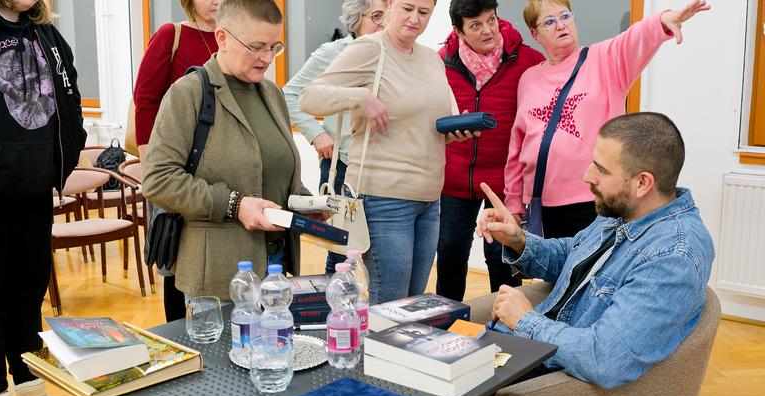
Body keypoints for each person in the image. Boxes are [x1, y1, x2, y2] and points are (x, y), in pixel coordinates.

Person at [478, 112, 714, 388]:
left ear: (642, 183)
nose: (587, 176)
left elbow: (605, 358)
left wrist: (525, 321)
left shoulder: (673, 256)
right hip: (517, 349)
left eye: (601, 169)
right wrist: (519, 239)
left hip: (543, 385)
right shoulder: (624, 211)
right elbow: (575, 256)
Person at [300, 0, 473, 304]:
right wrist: (360, 97)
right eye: (408, 8)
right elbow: (309, 98)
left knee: (410, 304)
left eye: (424, 13)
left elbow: (432, 127)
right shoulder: (370, 49)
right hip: (384, 200)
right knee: (390, 306)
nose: (415, 19)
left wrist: (455, 131)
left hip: (430, 200)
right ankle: (369, 353)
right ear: (390, 4)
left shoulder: (432, 59)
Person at [0, 0, 86, 396]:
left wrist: (68, 154)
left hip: (34, 192)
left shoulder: (46, 32)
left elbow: (69, 96)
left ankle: (31, 387)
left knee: (27, 296)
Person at [143, 0, 312, 299]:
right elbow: (158, 180)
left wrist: (309, 204)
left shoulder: (272, 94)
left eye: (275, 47)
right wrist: (234, 205)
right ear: (222, 38)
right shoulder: (188, 93)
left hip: (276, 265)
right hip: (219, 277)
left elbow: (273, 170)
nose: (267, 58)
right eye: (256, 46)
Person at [503, 0, 710, 238]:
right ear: (535, 34)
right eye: (550, 21)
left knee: (592, 273)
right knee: (550, 272)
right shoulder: (529, 78)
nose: (561, 25)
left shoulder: (603, 59)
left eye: (565, 16)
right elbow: (517, 147)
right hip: (541, 203)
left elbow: (634, 38)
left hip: (594, 201)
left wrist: (662, 20)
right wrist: (514, 202)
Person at [436, 0, 544, 301]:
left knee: (501, 256)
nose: (488, 30)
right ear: (458, 30)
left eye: (491, 20)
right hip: (455, 178)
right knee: (450, 252)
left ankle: (507, 323)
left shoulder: (528, 61)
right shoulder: (441, 62)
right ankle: (448, 320)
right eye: (476, 25)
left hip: (506, 180)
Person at [283, 0, 386, 276]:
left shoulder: (393, 54)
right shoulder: (335, 52)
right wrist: (316, 135)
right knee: (341, 248)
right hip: (342, 166)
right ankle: (334, 308)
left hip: (381, 169)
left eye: (388, 15)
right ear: (357, 19)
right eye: (376, 16)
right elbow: (290, 94)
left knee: (375, 253)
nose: (384, 23)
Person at [133, 0, 219, 322]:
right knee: (173, 254)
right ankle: (176, 330)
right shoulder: (173, 35)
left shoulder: (233, 39)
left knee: (205, 255)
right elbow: (145, 99)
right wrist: (148, 165)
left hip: (216, 171)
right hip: (173, 168)